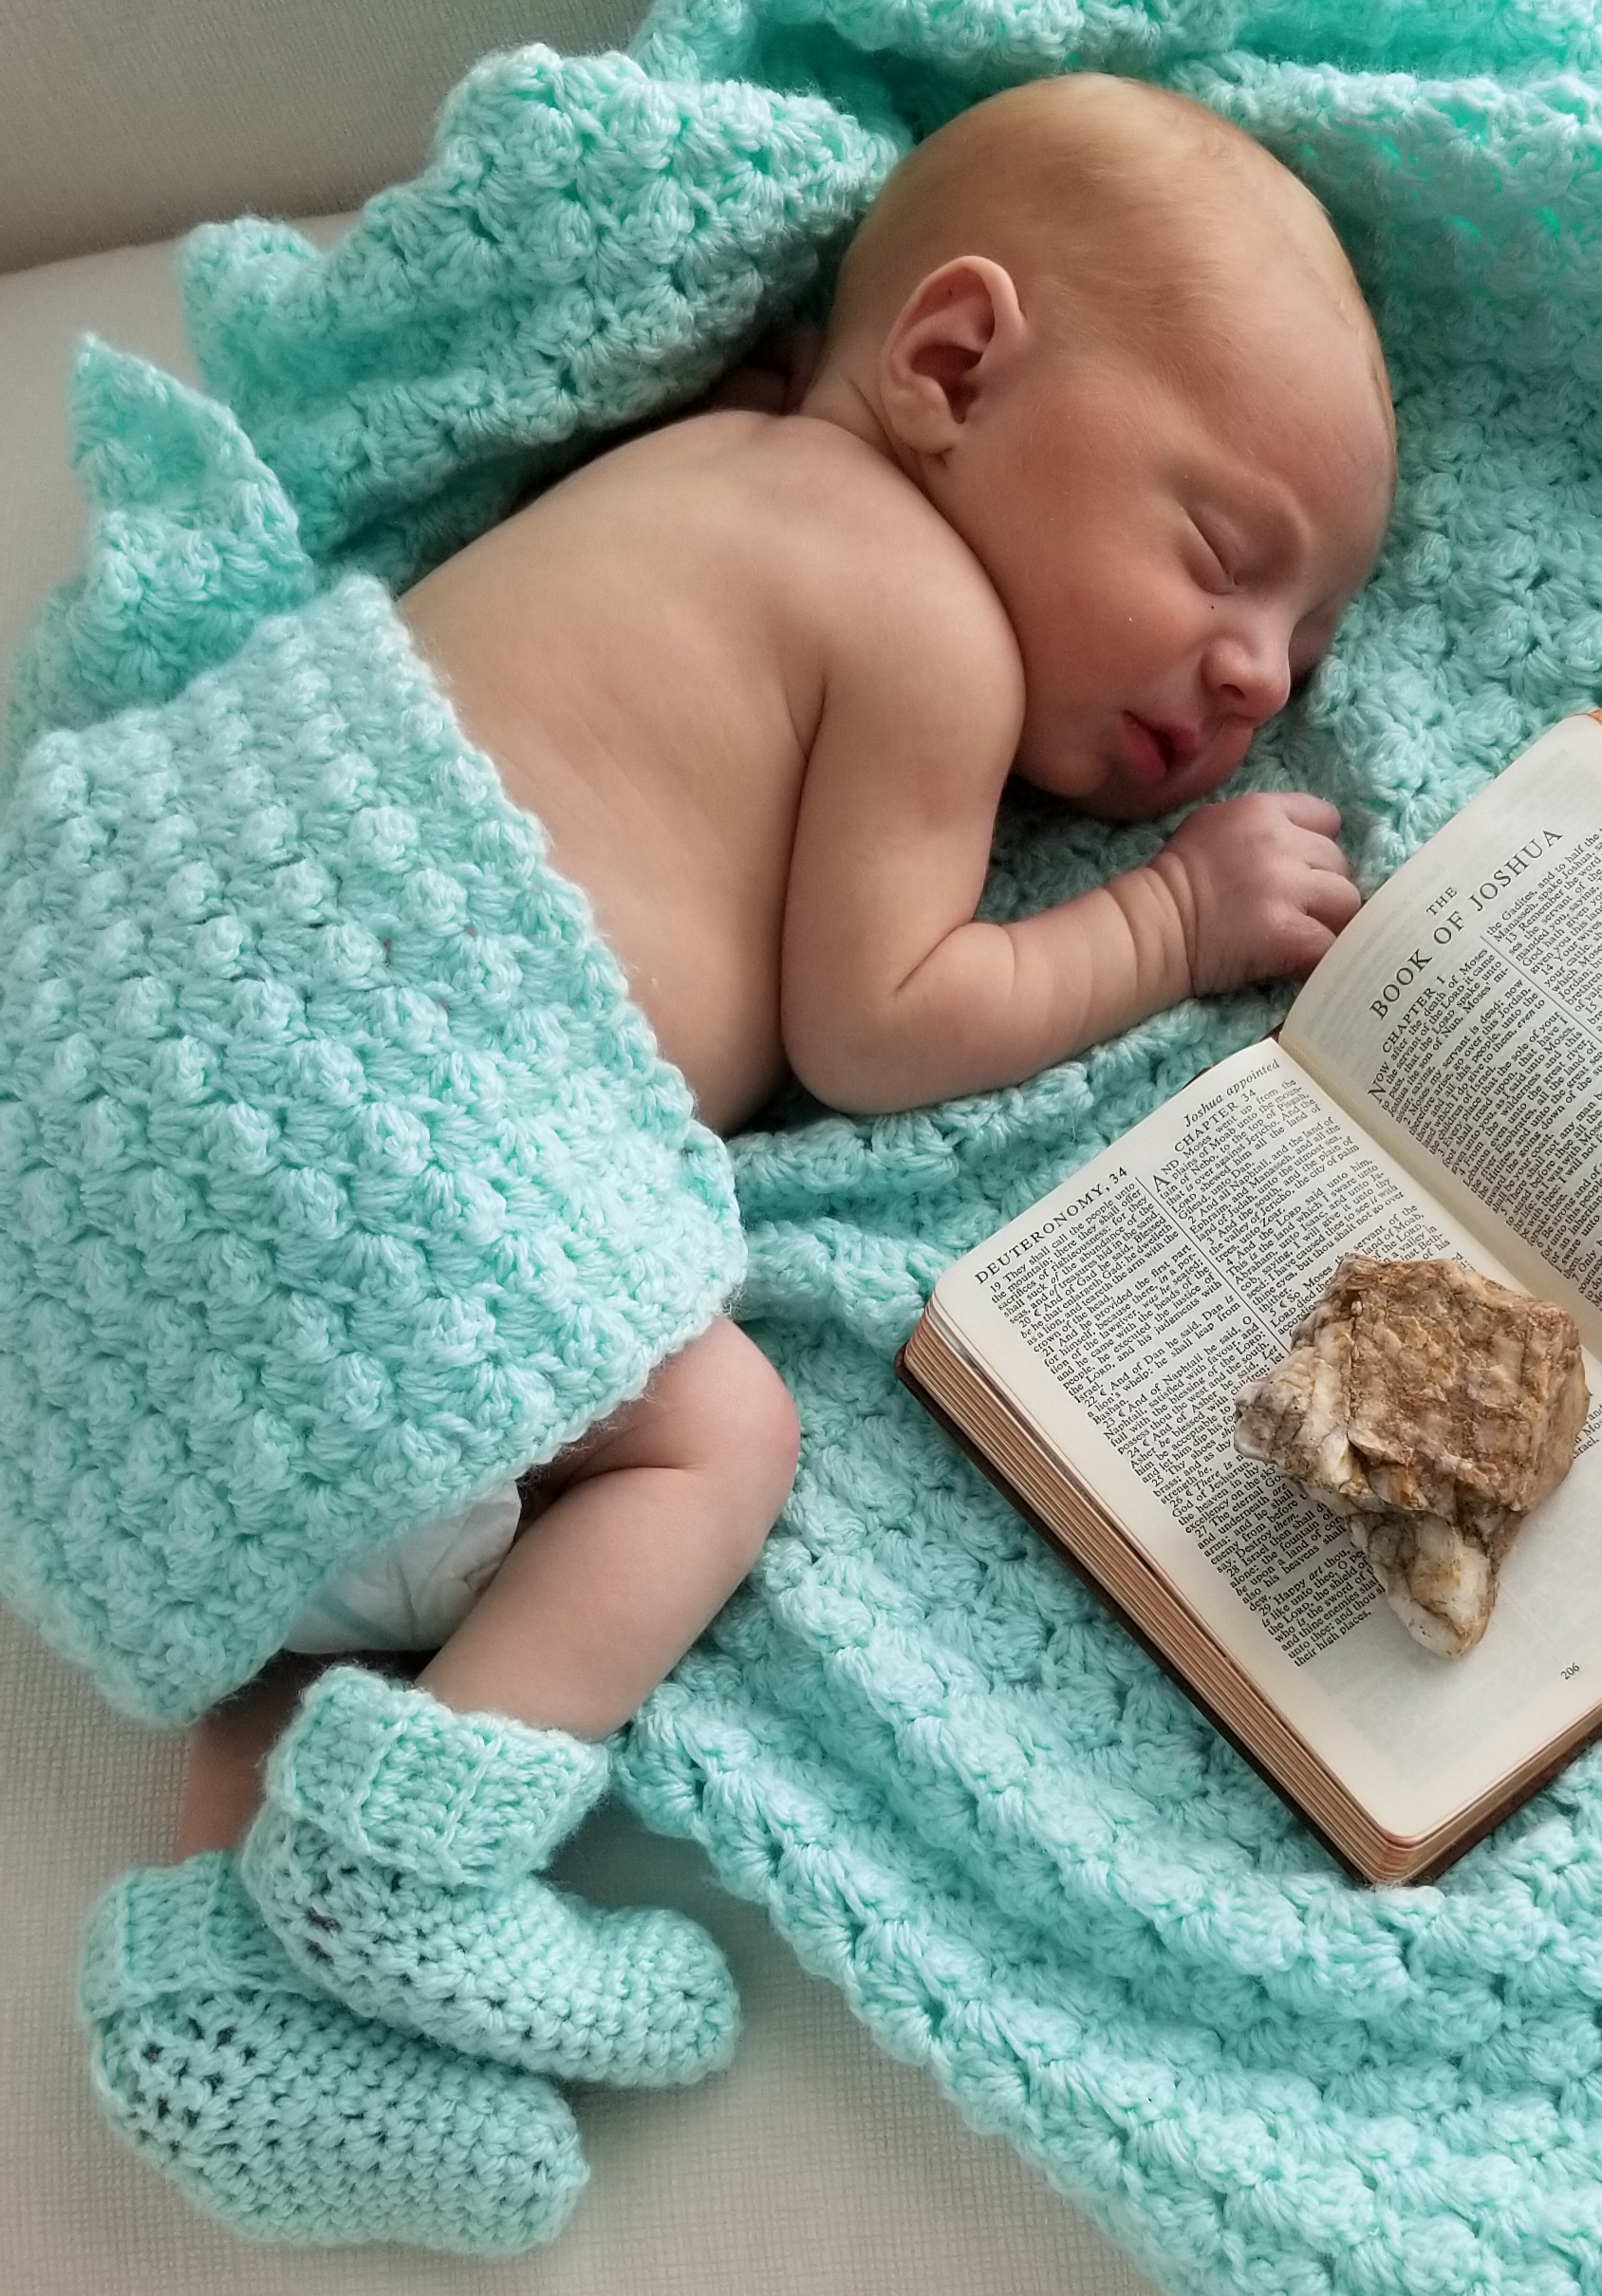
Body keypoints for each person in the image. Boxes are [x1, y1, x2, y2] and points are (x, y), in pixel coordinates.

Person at [84, 70, 1395, 2251]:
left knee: (307, 1516)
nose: (1256, 673)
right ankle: (401, 1862)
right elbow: (878, 1025)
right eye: (1216, 555)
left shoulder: (671, 471)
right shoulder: (915, 607)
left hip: (118, 1142)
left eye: (1307, 645)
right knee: (712, 1425)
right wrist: (1171, 918)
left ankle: (221, 1994)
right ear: (950, 363)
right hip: (351, 1118)